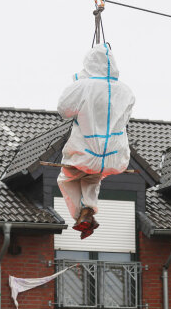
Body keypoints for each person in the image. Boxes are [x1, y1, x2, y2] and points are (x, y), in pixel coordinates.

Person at [55, 43, 135, 239]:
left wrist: (79, 83)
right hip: (115, 157)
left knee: (66, 178)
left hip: (84, 153)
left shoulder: (83, 87)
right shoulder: (126, 91)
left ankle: (81, 215)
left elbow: (63, 110)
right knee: (93, 176)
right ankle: (88, 209)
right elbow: (125, 117)